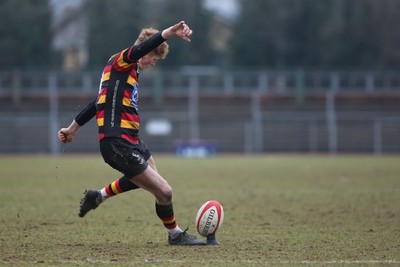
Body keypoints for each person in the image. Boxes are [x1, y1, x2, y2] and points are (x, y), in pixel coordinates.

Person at [58, 21, 206, 246]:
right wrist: (169, 33)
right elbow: (142, 48)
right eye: (153, 59)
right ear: (144, 52)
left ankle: (98, 195)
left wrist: (71, 129)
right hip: (117, 142)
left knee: (148, 181)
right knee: (165, 191)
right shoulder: (122, 61)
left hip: (132, 140)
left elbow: (97, 103)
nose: (153, 64)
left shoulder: (127, 75)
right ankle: (175, 234)